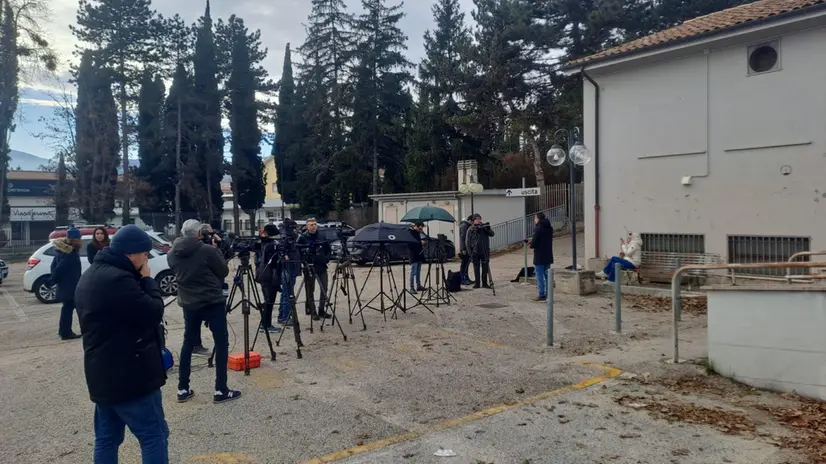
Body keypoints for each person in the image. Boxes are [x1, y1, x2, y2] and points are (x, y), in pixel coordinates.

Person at [75, 225, 169, 463]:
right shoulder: (119, 280)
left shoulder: (92, 273)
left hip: (101, 372)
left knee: (107, 438)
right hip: (130, 374)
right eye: (145, 254)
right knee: (154, 435)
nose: (146, 259)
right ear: (131, 254)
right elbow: (152, 311)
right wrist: (147, 280)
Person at [168, 219, 241, 404]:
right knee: (221, 342)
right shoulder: (207, 250)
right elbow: (223, 271)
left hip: (189, 303)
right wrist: (216, 250)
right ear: (200, 233)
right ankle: (220, 389)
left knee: (188, 343)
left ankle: (182, 388)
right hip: (211, 301)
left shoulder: (172, 253)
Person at [297, 218, 332, 320]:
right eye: (311, 225)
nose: (313, 226)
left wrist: (326, 258)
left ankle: (321, 309)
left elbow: (328, 249)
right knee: (310, 289)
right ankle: (312, 311)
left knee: (324, 288)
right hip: (309, 266)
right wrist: (305, 260)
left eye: (315, 224)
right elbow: (299, 251)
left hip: (321, 266)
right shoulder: (303, 237)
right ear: (307, 226)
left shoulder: (321, 235)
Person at [51, 226, 83, 340]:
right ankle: (66, 332)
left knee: (67, 309)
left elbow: (53, 266)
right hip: (70, 286)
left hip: (66, 285)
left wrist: (56, 279)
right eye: (79, 238)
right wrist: (53, 279)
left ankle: (64, 331)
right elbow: (59, 269)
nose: (80, 240)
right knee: (73, 309)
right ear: (74, 240)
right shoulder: (70, 254)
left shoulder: (61, 251)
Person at [255, 224, 282, 333]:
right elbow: (274, 261)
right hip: (268, 275)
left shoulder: (265, 243)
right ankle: (266, 325)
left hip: (265, 275)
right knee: (269, 301)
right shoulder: (270, 245)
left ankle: (266, 323)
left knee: (269, 300)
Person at [278, 219, 302, 325]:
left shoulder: (293, 239)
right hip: (288, 267)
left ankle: (282, 315)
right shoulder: (285, 239)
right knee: (288, 293)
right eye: (294, 228)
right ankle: (285, 317)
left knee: (286, 292)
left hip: (293, 267)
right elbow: (282, 252)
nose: (296, 230)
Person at [529, 212, 554, 301]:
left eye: (535, 218)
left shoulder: (538, 228)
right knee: (547, 276)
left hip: (539, 255)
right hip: (548, 255)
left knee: (539, 276)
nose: (534, 220)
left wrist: (530, 244)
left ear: (538, 219)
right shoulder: (550, 228)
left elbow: (534, 243)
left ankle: (541, 294)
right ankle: (548, 294)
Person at [467, 214, 495, 289]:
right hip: (475, 251)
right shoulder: (470, 229)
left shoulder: (484, 227)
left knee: (485, 267)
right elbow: (467, 241)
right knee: (476, 268)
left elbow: (492, 234)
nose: (478, 220)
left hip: (484, 251)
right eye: (476, 219)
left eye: (479, 219)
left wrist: (488, 229)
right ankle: (477, 283)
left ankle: (484, 283)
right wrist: (469, 252)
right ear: (473, 220)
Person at [407, 222, 428, 293]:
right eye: (420, 228)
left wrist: (422, 242)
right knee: (413, 272)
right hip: (414, 255)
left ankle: (418, 285)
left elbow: (417, 241)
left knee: (418, 272)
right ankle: (411, 287)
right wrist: (420, 243)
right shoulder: (410, 233)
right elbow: (411, 244)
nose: (420, 230)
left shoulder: (417, 233)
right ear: (416, 226)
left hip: (419, 254)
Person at [458, 216, 473, 285]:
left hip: (467, 248)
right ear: (470, 220)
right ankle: (462, 279)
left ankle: (466, 278)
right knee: (464, 264)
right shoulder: (464, 226)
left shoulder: (467, 226)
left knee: (466, 264)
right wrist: (463, 249)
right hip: (465, 249)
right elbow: (463, 238)